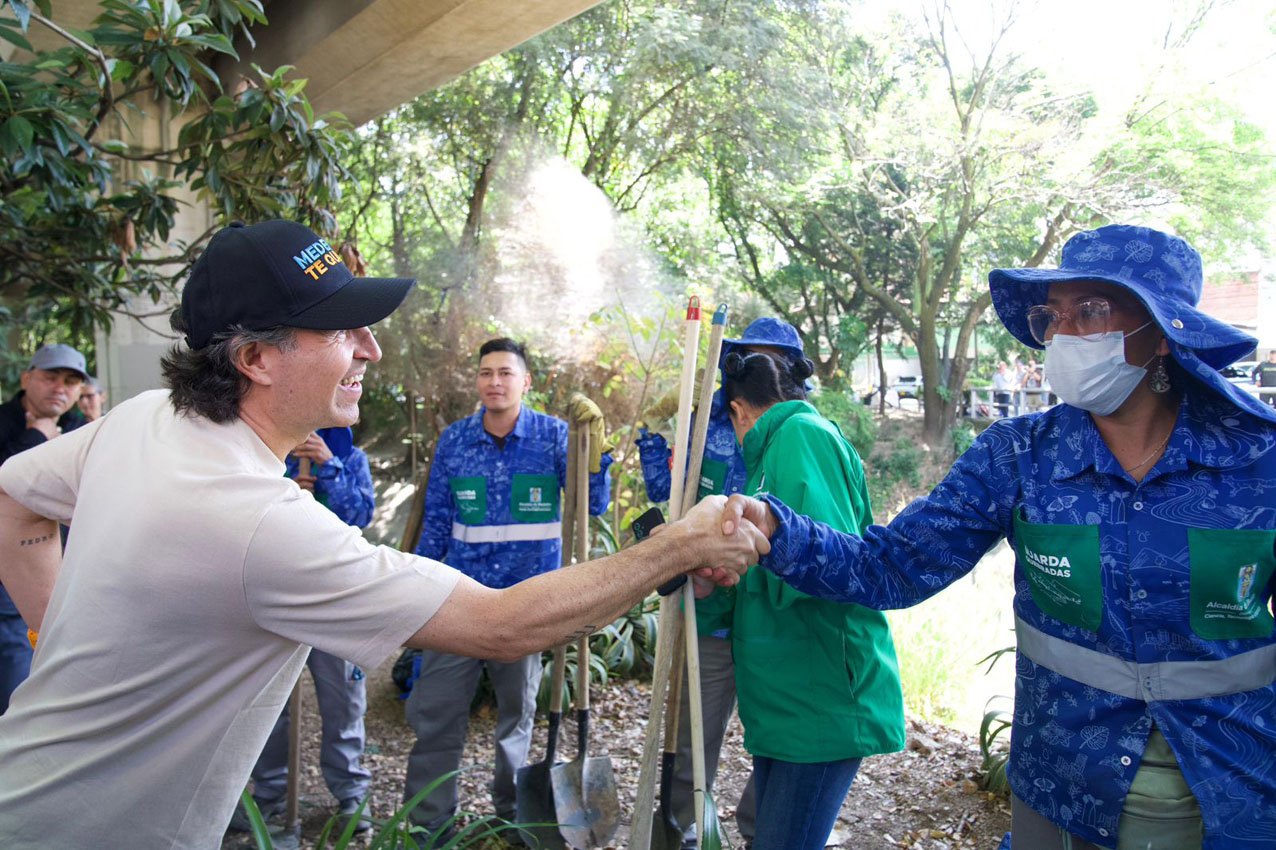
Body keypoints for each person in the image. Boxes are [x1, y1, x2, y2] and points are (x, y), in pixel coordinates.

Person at [0, 219, 766, 850]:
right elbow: (501, 626)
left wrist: (52, 629)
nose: (370, 348)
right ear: (256, 359)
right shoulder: (262, 522)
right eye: (341, 329)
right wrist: (678, 545)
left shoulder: (142, 418)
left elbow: (12, 499)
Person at [722, 224, 1276, 850]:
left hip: (1233, 792)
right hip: (1065, 791)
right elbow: (895, 567)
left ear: (1162, 335)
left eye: (1090, 311)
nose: (1063, 334)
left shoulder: (1260, 460)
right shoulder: (1019, 457)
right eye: (1052, 316)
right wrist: (773, 526)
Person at [693, 351, 903, 850]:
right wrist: (711, 582)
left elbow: (829, 561)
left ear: (739, 411)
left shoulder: (802, 437)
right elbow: (760, 570)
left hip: (819, 697)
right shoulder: (768, 455)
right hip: (784, 700)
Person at [404, 337, 613, 838]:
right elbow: (436, 523)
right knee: (436, 720)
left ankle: (511, 819)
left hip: (527, 607)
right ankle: (429, 827)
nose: (494, 382)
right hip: (456, 604)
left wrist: (595, 453)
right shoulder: (454, 440)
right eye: (485, 374)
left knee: (515, 724)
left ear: (525, 382)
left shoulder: (555, 436)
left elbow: (593, 506)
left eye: (504, 373)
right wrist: (413, 598)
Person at [636, 317, 808, 848]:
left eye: (775, 360)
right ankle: (685, 828)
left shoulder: (800, 432)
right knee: (694, 735)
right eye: (751, 358)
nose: (761, 370)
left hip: (773, 617)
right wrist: (654, 459)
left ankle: (761, 832)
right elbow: (676, 501)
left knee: (779, 740)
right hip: (708, 612)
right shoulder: (704, 423)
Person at [233, 426, 379, 833]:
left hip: (337, 600)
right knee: (269, 703)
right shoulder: (265, 461)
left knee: (343, 700)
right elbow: (243, 521)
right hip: (276, 599)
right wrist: (286, 493)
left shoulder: (351, 460)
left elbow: (360, 516)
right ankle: (270, 793)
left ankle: (351, 793)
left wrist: (330, 468)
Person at [0, 343, 88, 714]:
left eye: (70, 381)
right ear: (27, 378)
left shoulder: (82, 430)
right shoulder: (5, 423)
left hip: (65, 578)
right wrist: (36, 438)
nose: (60, 388)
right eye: (50, 377)